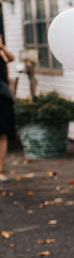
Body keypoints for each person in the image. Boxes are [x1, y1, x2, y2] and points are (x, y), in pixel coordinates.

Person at [0, 36, 15, 182]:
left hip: (3, 96)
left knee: (3, 134)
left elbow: (12, 58)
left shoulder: (2, 54)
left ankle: (0, 169)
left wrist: (2, 48)